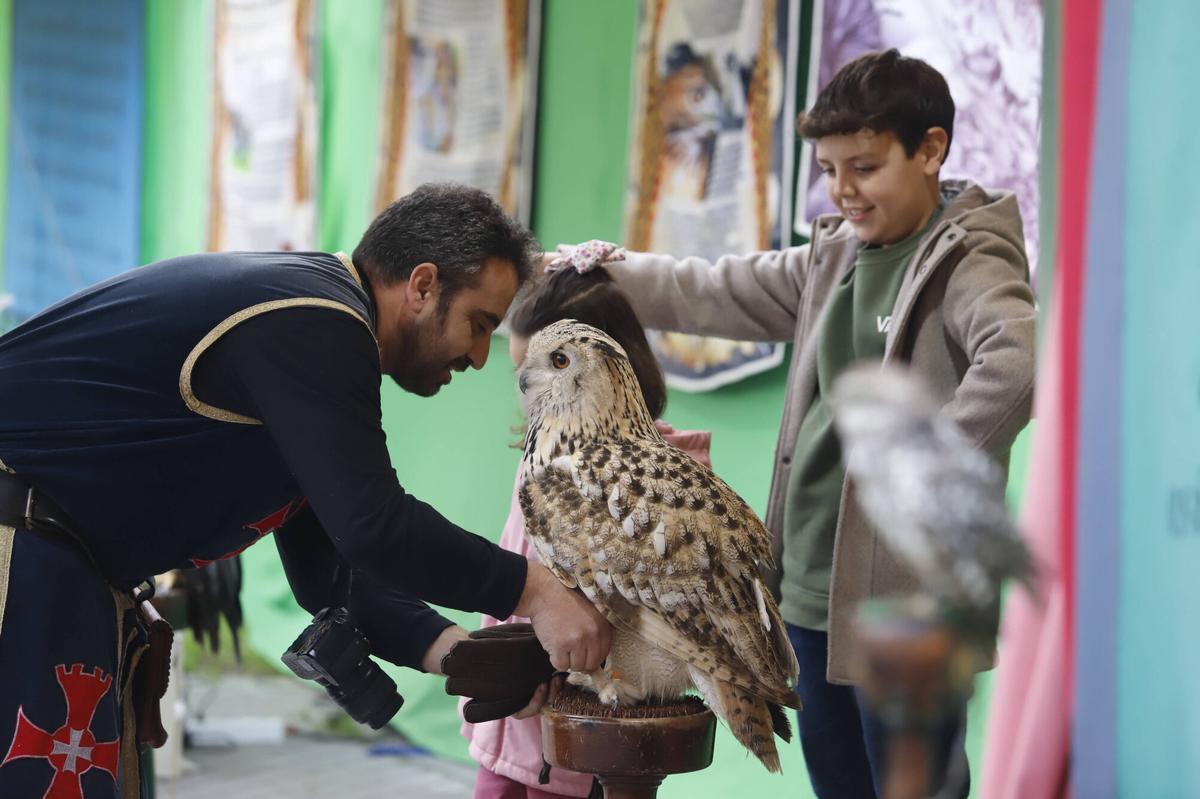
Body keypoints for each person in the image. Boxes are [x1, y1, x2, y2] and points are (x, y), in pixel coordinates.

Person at [0, 182, 610, 798]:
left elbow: (330, 570)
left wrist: (459, 655)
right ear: (423, 286)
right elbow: (375, 525)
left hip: (52, 558)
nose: (479, 357)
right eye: (478, 325)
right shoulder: (317, 320)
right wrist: (534, 590)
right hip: (21, 546)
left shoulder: (311, 324)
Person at [553, 50, 1037, 797]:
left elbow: (1018, 361)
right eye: (831, 168)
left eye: (865, 167)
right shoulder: (834, 257)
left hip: (912, 602)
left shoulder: (970, 257)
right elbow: (717, 289)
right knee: (838, 785)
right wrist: (604, 271)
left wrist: (924, 465)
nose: (843, 189)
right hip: (808, 592)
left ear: (931, 149)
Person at [463, 259, 713, 799]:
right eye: (521, 374)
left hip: (588, 748)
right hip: (513, 727)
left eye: (553, 368)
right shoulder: (544, 446)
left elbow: (646, 630)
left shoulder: (662, 484)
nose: (530, 392)